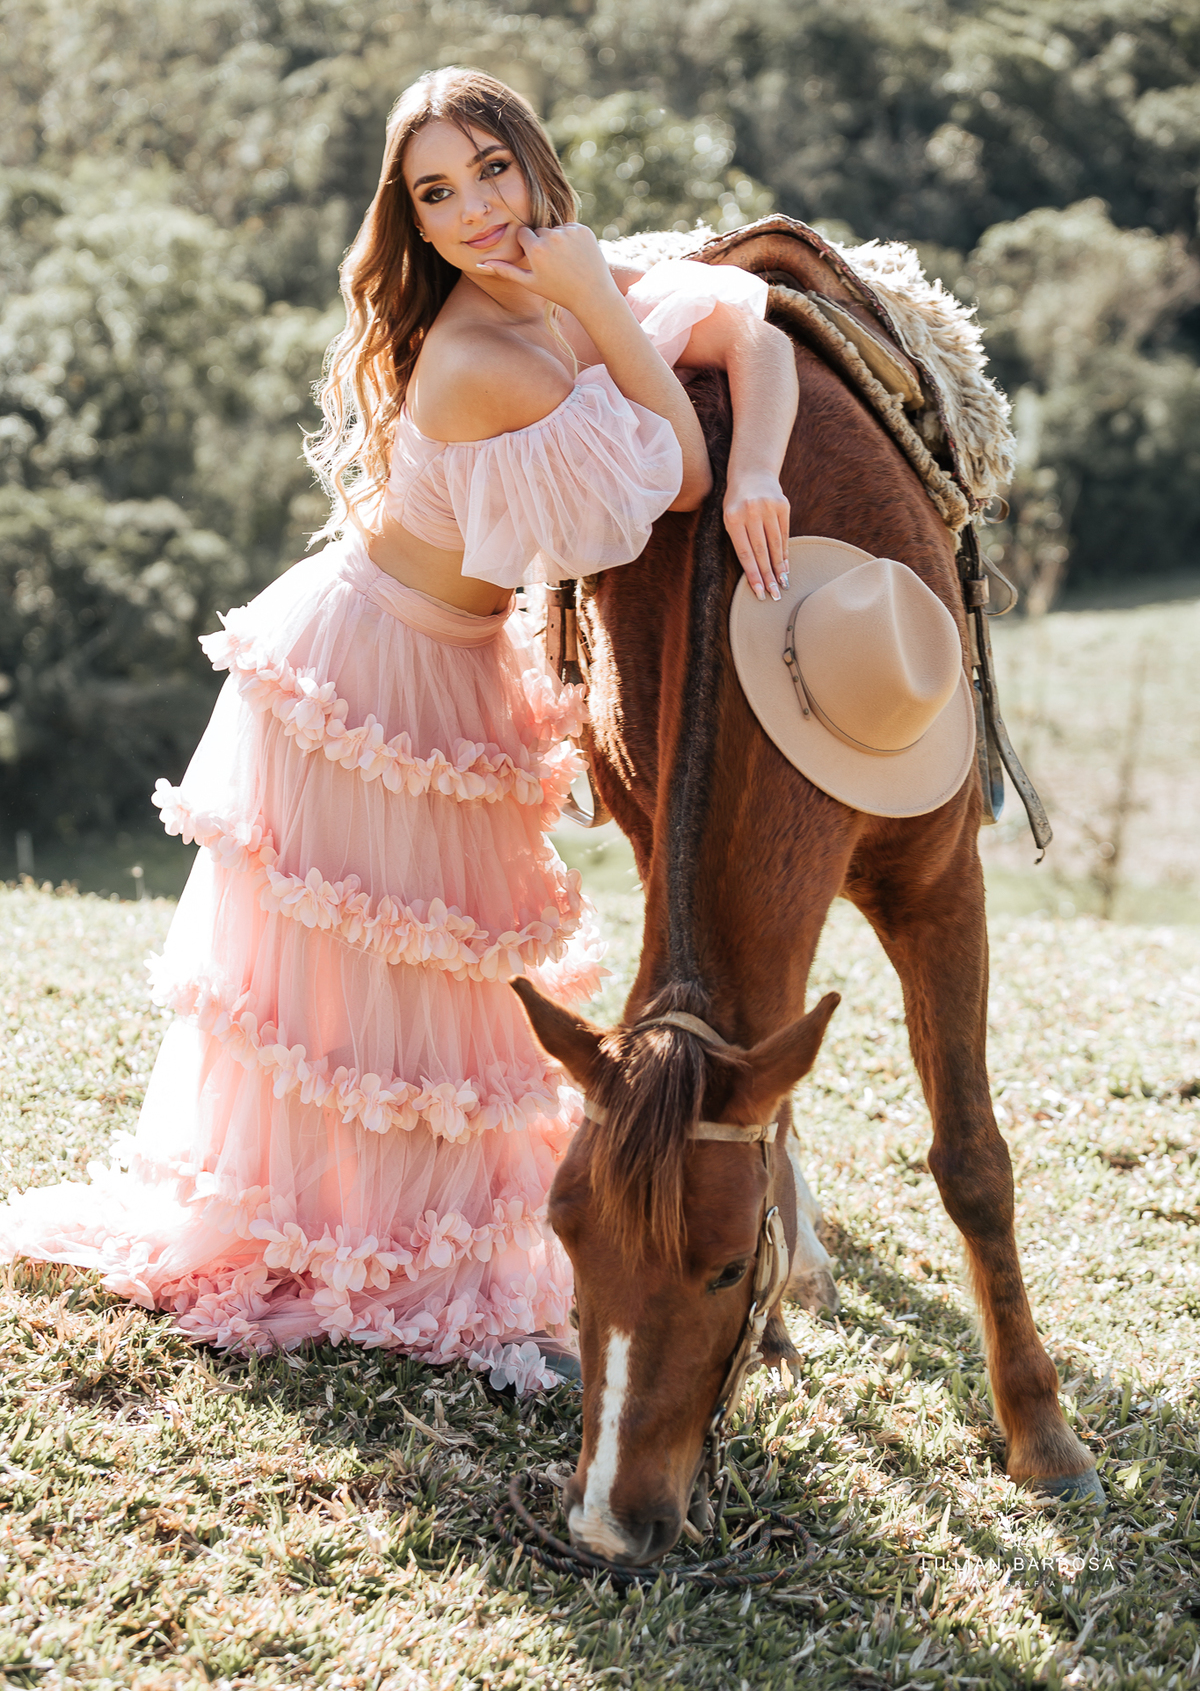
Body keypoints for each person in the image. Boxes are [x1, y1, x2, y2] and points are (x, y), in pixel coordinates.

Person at [0, 69, 798, 1390]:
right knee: (375, 997)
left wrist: (763, 457)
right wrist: (606, 305)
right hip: (368, 669)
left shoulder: (561, 289)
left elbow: (752, 331)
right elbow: (681, 467)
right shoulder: (478, 357)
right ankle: (407, 1268)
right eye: (437, 192)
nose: (476, 210)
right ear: (412, 222)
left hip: (457, 665)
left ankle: (435, 1242)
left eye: (491, 170)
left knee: (454, 986)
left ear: (537, 167)